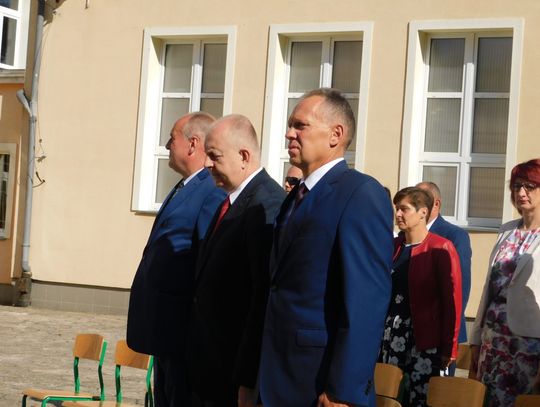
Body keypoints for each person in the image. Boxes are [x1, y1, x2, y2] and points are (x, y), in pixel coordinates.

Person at [259, 88, 394, 407]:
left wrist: (343, 390)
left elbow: (366, 300)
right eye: (290, 125)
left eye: (300, 125)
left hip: (321, 382)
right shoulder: (295, 197)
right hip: (277, 375)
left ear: (336, 134)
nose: (289, 134)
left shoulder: (360, 193)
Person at [126, 112, 226, 406]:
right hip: (165, 333)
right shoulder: (185, 186)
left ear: (193, 144)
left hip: (182, 334)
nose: (167, 145)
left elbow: (204, 264)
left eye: (172, 138)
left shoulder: (210, 191)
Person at [188, 114, 285, 407]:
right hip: (210, 366)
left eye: (214, 155)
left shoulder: (265, 205)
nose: (207, 164)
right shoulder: (233, 200)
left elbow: (260, 296)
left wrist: (247, 378)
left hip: (231, 373)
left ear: (244, 156)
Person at [380, 187, 461, 406]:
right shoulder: (393, 246)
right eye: (397, 209)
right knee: (388, 395)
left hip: (424, 339)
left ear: (423, 212)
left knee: (419, 398)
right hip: (391, 334)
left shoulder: (441, 247)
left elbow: (452, 302)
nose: (398, 214)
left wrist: (450, 347)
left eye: (404, 209)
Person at [469, 158, 540, 407]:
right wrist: (475, 338)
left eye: (530, 186)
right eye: (517, 186)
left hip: (528, 343)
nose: (521, 193)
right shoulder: (506, 230)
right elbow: (488, 287)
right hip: (493, 337)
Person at [416, 181, 472, 375]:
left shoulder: (454, 236)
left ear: (436, 204)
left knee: (439, 390)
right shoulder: (408, 235)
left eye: (419, 200)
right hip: (413, 331)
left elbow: (460, 287)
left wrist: (450, 335)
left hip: (442, 334)